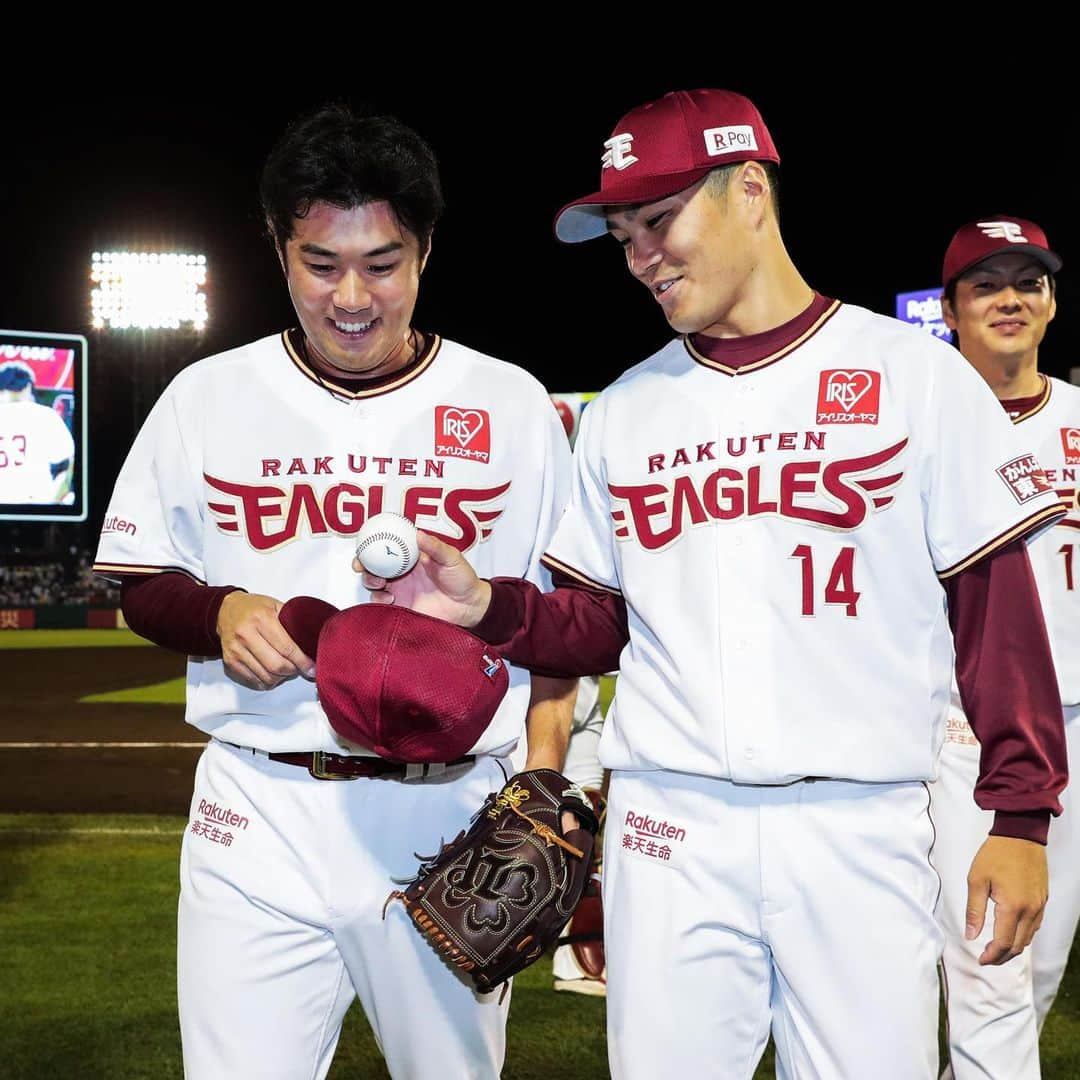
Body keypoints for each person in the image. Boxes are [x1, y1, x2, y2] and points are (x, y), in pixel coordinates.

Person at [357, 89, 1070, 1079]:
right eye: (621, 233)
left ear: (748, 191)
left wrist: (1021, 815)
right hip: (670, 826)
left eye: (658, 219)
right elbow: (595, 626)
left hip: (859, 824)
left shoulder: (913, 375)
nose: (639, 253)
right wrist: (487, 605)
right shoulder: (626, 410)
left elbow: (998, 617)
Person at [93, 102, 577, 1080]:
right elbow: (137, 578)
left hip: (449, 816)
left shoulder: (512, 405)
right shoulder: (207, 397)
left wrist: (546, 772)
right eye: (321, 263)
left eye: (382, 262)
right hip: (259, 812)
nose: (352, 294)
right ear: (278, 250)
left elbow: (565, 618)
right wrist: (220, 609)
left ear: (426, 251)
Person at [932, 216, 1080, 1080]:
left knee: (1042, 962)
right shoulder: (925, 422)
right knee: (991, 961)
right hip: (965, 724)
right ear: (950, 310)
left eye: (1028, 281)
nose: (1011, 299)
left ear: (1053, 303)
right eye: (986, 285)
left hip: (1077, 716)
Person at [0, 360, 74, 504]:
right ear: (28, 386)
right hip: (38, 509)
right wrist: (55, 498)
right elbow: (71, 461)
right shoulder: (44, 415)